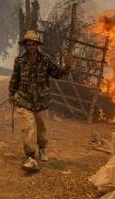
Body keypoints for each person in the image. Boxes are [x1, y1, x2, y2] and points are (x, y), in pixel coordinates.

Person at [9, 30, 70, 171]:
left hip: (42, 101)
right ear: (25, 46)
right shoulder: (19, 61)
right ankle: (30, 155)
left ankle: (42, 148)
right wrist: (11, 94)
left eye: (33, 44)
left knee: (42, 130)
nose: (31, 47)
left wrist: (67, 67)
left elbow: (57, 74)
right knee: (27, 130)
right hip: (24, 101)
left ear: (37, 45)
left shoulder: (46, 60)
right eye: (28, 44)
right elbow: (15, 78)